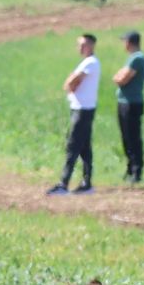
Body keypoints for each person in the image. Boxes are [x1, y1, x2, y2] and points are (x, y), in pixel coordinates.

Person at [47, 33, 100, 196]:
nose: (80, 48)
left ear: (90, 46)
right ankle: (87, 182)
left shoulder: (90, 62)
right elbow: (70, 82)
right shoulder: (86, 62)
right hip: (81, 108)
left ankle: (64, 183)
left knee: (73, 146)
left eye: (83, 44)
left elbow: (71, 82)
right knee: (84, 147)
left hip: (83, 110)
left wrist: (71, 84)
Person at [113, 30, 144, 185]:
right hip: (124, 101)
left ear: (129, 42)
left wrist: (119, 77)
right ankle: (129, 168)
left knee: (133, 137)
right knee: (126, 137)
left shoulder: (137, 59)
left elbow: (122, 79)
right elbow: (119, 76)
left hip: (132, 102)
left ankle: (136, 170)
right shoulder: (131, 59)